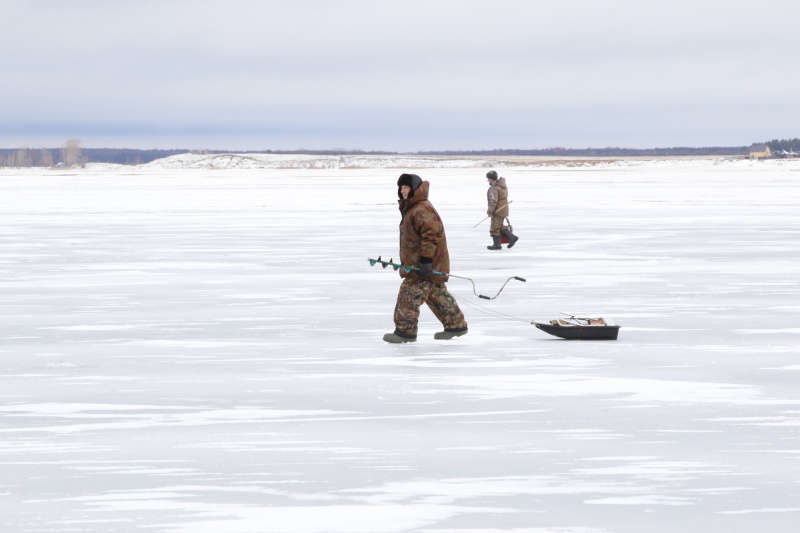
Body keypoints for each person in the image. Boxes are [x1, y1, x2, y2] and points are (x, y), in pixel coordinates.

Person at [383, 173, 468, 344]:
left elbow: (431, 236)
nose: (402, 191)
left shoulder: (421, 209)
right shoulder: (413, 208)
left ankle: (405, 332)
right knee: (436, 294)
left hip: (424, 264)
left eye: (405, 187)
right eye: (401, 188)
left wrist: (426, 261)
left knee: (409, 294)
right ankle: (455, 325)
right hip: (421, 263)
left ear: (414, 189)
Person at [485, 170, 519, 250]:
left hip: (498, 210)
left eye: (488, 178)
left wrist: (490, 212)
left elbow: (493, 201)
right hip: (503, 209)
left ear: (491, 178)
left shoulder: (494, 188)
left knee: (494, 228)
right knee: (499, 226)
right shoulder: (502, 185)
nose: (487, 180)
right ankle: (512, 237)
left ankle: (497, 245)